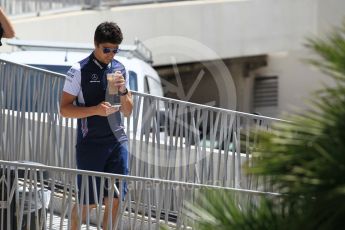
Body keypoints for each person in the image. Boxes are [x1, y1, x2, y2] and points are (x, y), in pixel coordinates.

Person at [60, 21, 133, 230]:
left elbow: (128, 111)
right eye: (107, 49)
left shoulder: (120, 69)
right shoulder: (78, 70)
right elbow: (64, 109)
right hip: (90, 143)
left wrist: (124, 90)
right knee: (88, 202)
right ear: (95, 44)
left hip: (118, 141)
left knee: (116, 199)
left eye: (115, 50)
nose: (111, 54)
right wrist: (95, 110)